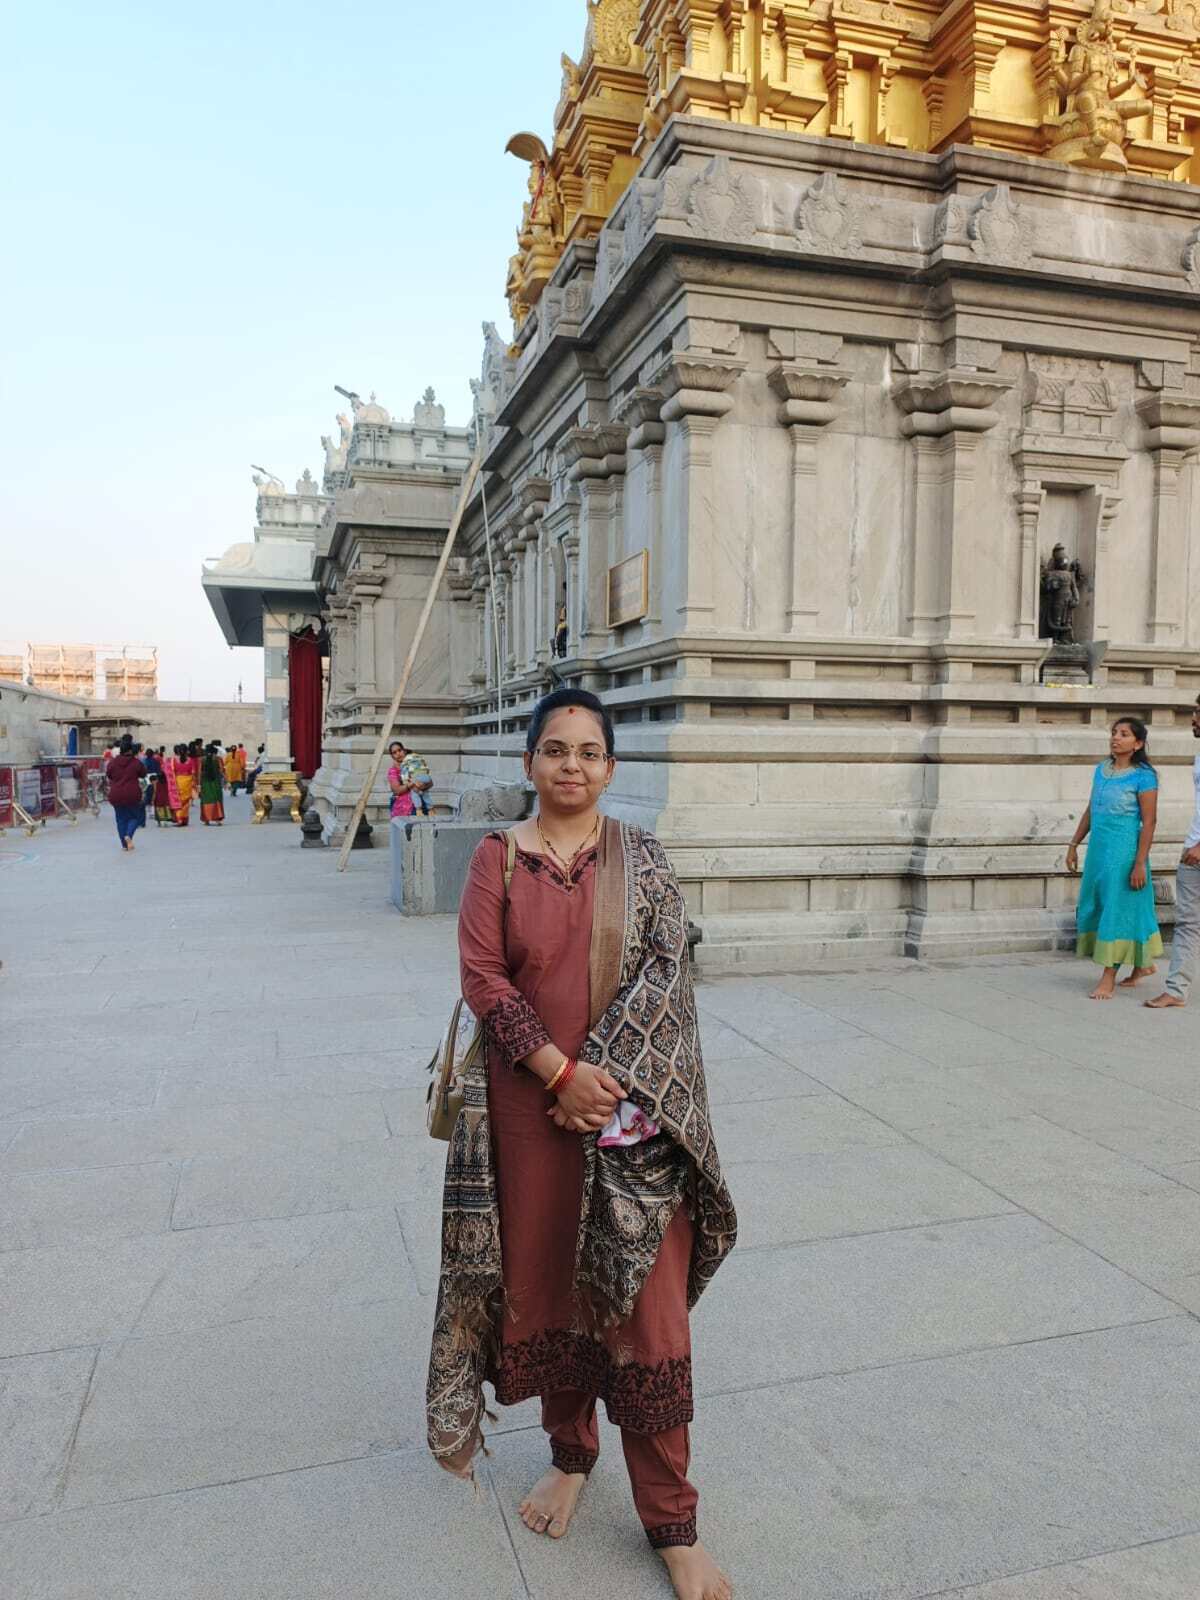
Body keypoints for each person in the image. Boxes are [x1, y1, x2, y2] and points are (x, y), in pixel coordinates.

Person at [429, 688, 737, 1600]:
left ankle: (673, 1523)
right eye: (555, 749)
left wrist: (599, 1085)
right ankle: (570, 1456)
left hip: (632, 1119)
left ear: (610, 767)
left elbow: (666, 973)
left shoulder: (643, 858)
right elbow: (484, 979)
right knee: (553, 1292)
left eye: (588, 751)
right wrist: (561, 1076)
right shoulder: (496, 858)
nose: (571, 765)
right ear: (529, 762)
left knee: (650, 1316)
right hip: (530, 1118)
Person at [1067, 716, 1163, 1000]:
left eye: (1123, 734)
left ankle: (1108, 977)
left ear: (1138, 743)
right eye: (1114, 732)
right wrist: (1073, 844)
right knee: (1100, 903)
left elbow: (1150, 822)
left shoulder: (1144, 776)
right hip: (1099, 850)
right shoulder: (1102, 769)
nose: (1116, 738)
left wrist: (1139, 863)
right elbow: (1091, 809)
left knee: (1117, 909)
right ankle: (1142, 965)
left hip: (1125, 854)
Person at [1146, 694, 1200, 1009]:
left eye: (1198, 712)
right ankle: (1177, 990)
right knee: (1187, 923)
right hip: (1191, 852)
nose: (1193, 718)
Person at [105, 733, 146, 851]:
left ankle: (124, 844)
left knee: (120, 819)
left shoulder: (112, 763)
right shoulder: (136, 762)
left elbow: (109, 775)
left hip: (116, 794)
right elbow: (143, 774)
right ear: (131, 750)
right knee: (135, 817)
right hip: (132, 794)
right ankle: (129, 834)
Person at [166, 743, 196, 826]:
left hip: (178, 781)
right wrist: (194, 783)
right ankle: (184, 819)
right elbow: (193, 772)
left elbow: (170, 771)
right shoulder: (190, 760)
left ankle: (179, 819)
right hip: (187, 782)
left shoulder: (173, 760)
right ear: (187, 751)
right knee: (186, 802)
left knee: (178, 802)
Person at [199, 743, 226, 825]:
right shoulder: (218, 759)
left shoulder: (202, 759)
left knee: (206, 800)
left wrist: (199, 784)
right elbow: (222, 770)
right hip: (215, 782)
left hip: (205, 782)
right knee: (216, 799)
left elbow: (200, 772)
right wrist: (225, 780)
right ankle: (217, 819)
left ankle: (207, 819)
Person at [151, 747, 173, 825]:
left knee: (159, 810)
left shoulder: (156, 783)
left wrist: (152, 799)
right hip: (165, 799)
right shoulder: (166, 783)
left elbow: (155, 791)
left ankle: (160, 821)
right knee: (166, 808)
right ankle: (166, 820)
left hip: (158, 800)